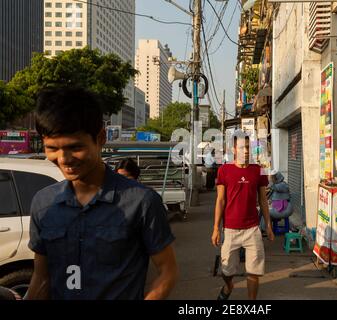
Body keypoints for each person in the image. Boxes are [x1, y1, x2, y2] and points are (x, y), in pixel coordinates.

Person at [26, 87, 178, 300]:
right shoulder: (43, 204)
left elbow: (167, 271)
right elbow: (42, 277)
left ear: (100, 138)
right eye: (52, 148)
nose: (64, 158)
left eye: (75, 147)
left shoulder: (142, 202)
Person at [211, 131, 274, 300]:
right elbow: (220, 200)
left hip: (252, 228)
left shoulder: (258, 170)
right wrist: (216, 228)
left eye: (248, 147)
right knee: (227, 270)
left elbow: (263, 200)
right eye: (241, 147)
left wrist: (268, 225)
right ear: (234, 150)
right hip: (230, 229)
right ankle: (228, 285)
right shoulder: (224, 170)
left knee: (254, 271)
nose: (245, 151)